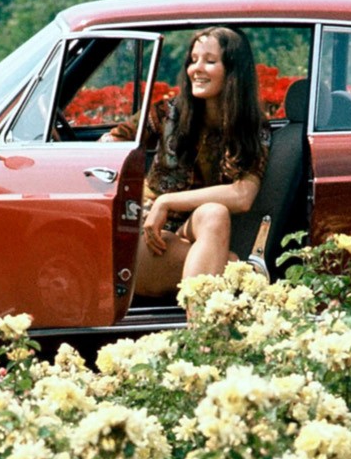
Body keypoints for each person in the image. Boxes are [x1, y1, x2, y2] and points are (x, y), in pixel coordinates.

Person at [111, 27, 268, 306]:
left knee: (214, 213)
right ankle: (206, 335)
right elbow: (113, 143)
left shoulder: (251, 128)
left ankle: (200, 335)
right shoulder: (166, 113)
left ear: (233, 70)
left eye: (209, 60)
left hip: (188, 235)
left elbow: (243, 196)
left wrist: (168, 201)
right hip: (147, 237)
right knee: (232, 267)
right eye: (193, 59)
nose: (196, 68)